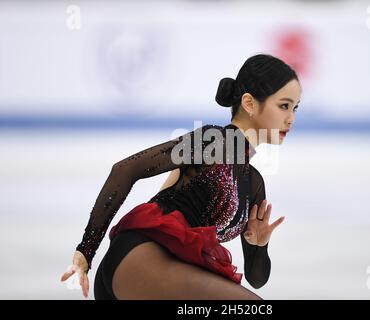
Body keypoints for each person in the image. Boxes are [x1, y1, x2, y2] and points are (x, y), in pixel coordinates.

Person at [60, 53, 302, 299]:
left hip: (163, 275)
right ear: (249, 103)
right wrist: (85, 251)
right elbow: (126, 169)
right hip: (138, 259)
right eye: (284, 106)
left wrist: (258, 245)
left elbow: (256, 278)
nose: (291, 118)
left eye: (295, 108)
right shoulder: (214, 142)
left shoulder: (253, 183)